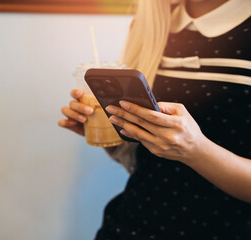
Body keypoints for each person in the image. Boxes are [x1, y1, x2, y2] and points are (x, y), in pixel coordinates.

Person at [59, 0, 251, 239]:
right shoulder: (150, 25)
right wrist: (114, 127)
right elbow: (141, 158)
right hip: (130, 225)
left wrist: (196, 150)